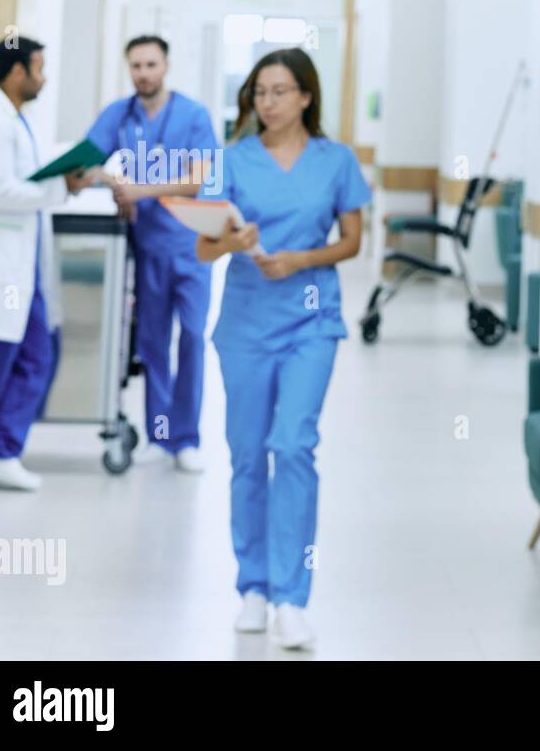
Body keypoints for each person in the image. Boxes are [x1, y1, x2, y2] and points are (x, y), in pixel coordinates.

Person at [197, 48, 368, 650]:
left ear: (305, 96)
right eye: (258, 92)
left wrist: (299, 259)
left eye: (278, 90)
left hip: (310, 321)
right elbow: (203, 249)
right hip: (244, 323)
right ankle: (254, 586)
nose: (266, 102)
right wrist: (231, 242)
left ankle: (293, 597)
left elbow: (351, 242)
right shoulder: (231, 160)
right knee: (246, 454)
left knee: (292, 446)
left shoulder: (335, 160)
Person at [0, 37, 91, 490]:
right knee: (6, 356)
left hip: (22, 259)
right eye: (39, 67)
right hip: (0, 261)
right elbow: (2, 193)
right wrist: (63, 189)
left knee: (35, 352)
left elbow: (28, 172)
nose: (45, 76)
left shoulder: (16, 118)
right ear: (17, 72)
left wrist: (68, 169)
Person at [86, 35, 218, 473]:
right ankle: (160, 436)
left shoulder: (193, 116)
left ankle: (187, 437)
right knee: (153, 344)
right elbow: (82, 163)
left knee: (194, 338)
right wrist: (111, 183)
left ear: (166, 66)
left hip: (192, 245)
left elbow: (198, 180)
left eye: (150, 64)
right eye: (136, 66)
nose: (143, 73)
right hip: (149, 247)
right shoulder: (120, 116)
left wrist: (138, 189)